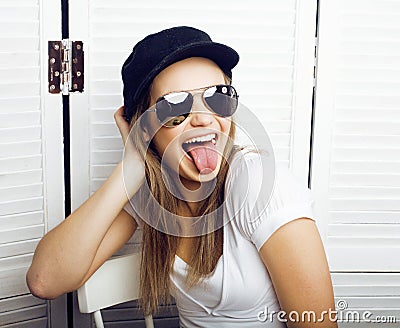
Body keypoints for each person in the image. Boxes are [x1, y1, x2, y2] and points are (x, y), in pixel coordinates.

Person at [27, 26, 337, 328]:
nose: (204, 118)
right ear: (145, 127)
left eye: (218, 96)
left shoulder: (257, 184)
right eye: (175, 106)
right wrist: (131, 167)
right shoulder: (149, 195)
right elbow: (45, 281)